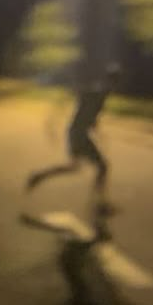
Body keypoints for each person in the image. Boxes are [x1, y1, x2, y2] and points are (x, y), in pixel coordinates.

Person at [25, 64, 120, 211]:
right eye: (116, 81)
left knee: (74, 167)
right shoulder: (98, 92)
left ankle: (38, 176)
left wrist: (95, 128)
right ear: (113, 81)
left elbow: (88, 114)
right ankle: (100, 203)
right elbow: (81, 99)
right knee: (102, 167)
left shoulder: (100, 93)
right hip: (79, 134)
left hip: (76, 133)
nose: (115, 85)